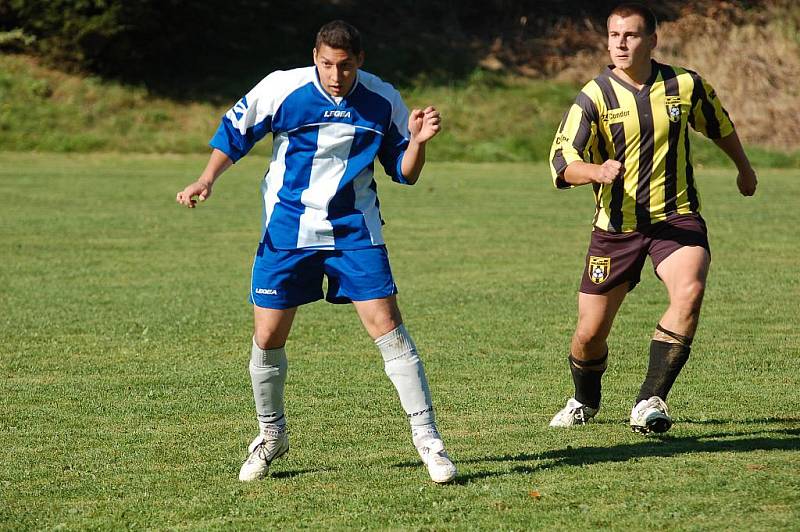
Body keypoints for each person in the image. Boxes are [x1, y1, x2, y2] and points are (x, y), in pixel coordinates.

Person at [176, 20, 456, 483]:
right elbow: (234, 132)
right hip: (287, 232)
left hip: (354, 232)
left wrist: (419, 144)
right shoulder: (281, 88)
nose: (335, 74)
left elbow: (404, 173)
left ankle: (429, 440)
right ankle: (270, 436)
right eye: (326, 64)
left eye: (345, 66)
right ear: (315, 57)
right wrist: (206, 178)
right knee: (267, 339)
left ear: (359, 62)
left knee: (389, 329)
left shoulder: (383, 99)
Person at [547, 3, 757, 433]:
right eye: (614, 36)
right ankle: (584, 399)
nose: (621, 44)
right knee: (589, 335)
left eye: (631, 35)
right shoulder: (595, 95)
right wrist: (597, 171)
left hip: (675, 218)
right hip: (616, 230)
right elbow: (561, 160)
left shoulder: (685, 85)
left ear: (652, 40)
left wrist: (744, 167)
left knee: (690, 290)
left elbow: (718, 125)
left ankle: (650, 399)